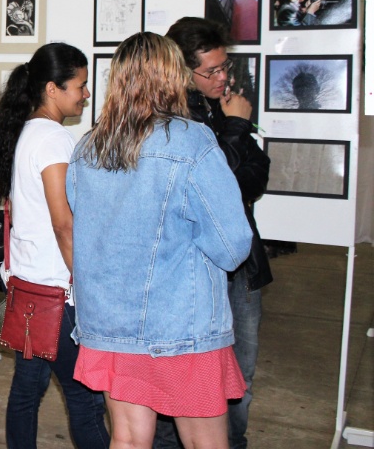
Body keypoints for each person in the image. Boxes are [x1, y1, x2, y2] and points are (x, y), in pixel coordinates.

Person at [67, 32, 252, 449]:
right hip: (180, 322)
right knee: (205, 443)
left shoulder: (87, 148)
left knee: (129, 440)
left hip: (111, 323)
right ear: (173, 78)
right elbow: (232, 244)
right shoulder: (192, 141)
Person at [0, 43, 109, 449]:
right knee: (85, 401)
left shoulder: (31, 130)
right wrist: (86, 285)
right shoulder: (53, 139)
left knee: (26, 392)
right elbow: (63, 223)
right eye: (80, 86)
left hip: (32, 287)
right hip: (58, 293)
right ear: (52, 88)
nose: (86, 94)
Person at [156, 18, 274, 449]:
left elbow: (256, 179)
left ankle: (232, 442)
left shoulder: (222, 108)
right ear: (183, 71)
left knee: (240, 373)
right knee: (183, 374)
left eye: (226, 67)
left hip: (240, 262)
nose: (223, 78)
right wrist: (236, 130)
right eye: (212, 71)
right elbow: (211, 183)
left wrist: (235, 132)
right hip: (191, 266)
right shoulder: (172, 118)